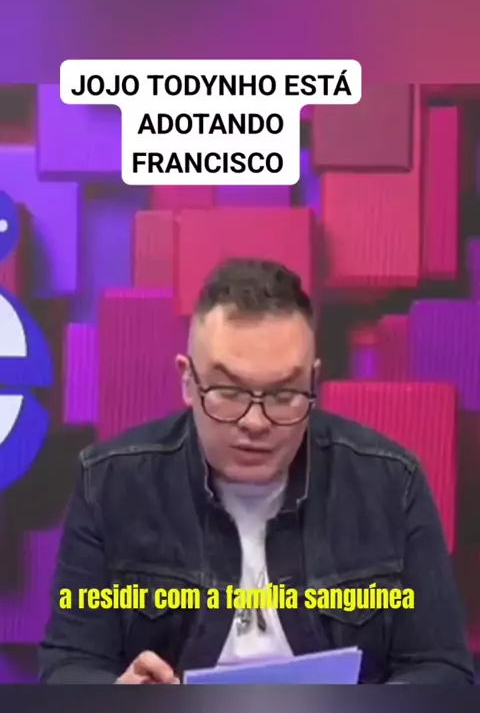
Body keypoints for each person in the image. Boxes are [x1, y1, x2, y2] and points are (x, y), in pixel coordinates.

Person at [39, 258, 474, 684]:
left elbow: (442, 668)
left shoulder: (392, 483)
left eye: (284, 395)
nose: (256, 422)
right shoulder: (110, 483)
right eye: (229, 391)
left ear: (313, 383)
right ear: (187, 380)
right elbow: (68, 664)